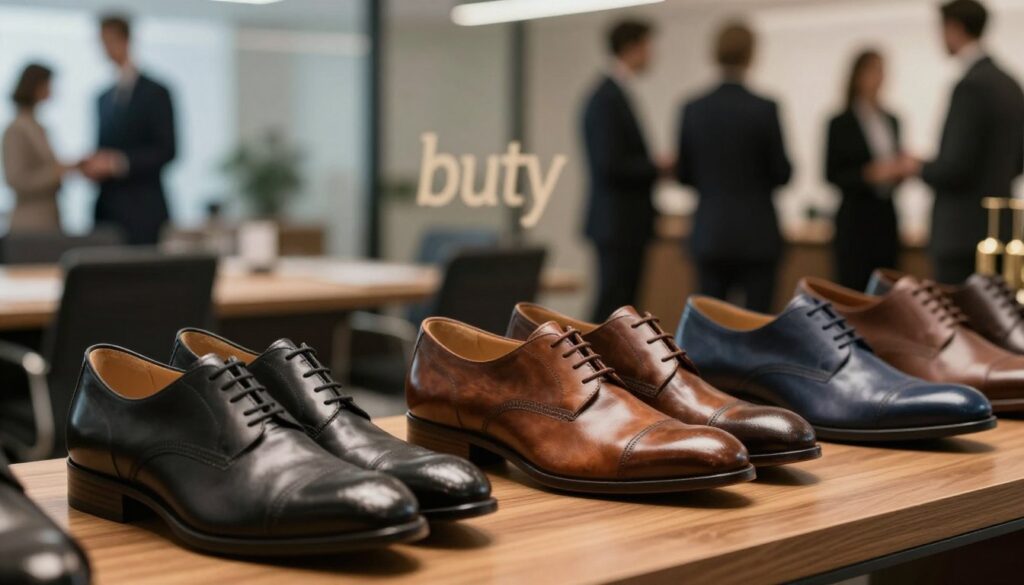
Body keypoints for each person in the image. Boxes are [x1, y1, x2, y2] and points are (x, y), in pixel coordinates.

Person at [902, 0, 1024, 284]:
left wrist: (917, 166)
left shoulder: (971, 86)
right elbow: (1018, 160)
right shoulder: (1010, 85)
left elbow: (956, 167)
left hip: (961, 234)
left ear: (954, 28)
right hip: (1000, 227)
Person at [675, 21, 791, 312]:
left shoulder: (693, 108)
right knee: (758, 323)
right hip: (757, 233)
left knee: (709, 323)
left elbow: (683, 174)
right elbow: (782, 172)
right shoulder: (764, 109)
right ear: (751, 54)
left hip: (711, 232)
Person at [581, 19, 671, 322]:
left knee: (621, 308)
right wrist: (655, 167)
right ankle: (587, 354)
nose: (651, 55)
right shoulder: (606, 98)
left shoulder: (614, 94)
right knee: (612, 308)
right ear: (632, 48)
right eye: (647, 47)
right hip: (618, 222)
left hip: (622, 222)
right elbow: (610, 164)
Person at [83, 14, 176, 245]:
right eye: (102, 42)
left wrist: (117, 163)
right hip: (107, 210)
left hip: (144, 209)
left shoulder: (156, 92)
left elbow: (167, 150)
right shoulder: (102, 98)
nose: (105, 48)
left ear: (126, 40)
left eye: (109, 40)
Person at [826, 50, 905, 291]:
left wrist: (899, 171)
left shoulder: (892, 120)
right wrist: (868, 175)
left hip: (885, 217)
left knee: (885, 290)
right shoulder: (840, 123)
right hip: (855, 220)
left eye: (882, 71)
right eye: (874, 70)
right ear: (858, 75)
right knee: (853, 288)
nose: (879, 77)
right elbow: (831, 174)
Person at [2, 64, 74, 233]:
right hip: (30, 223)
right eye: (48, 85)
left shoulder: (37, 127)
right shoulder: (17, 129)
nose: (51, 90)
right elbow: (15, 179)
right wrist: (57, 172)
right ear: (36, 86)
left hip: (49, 219)